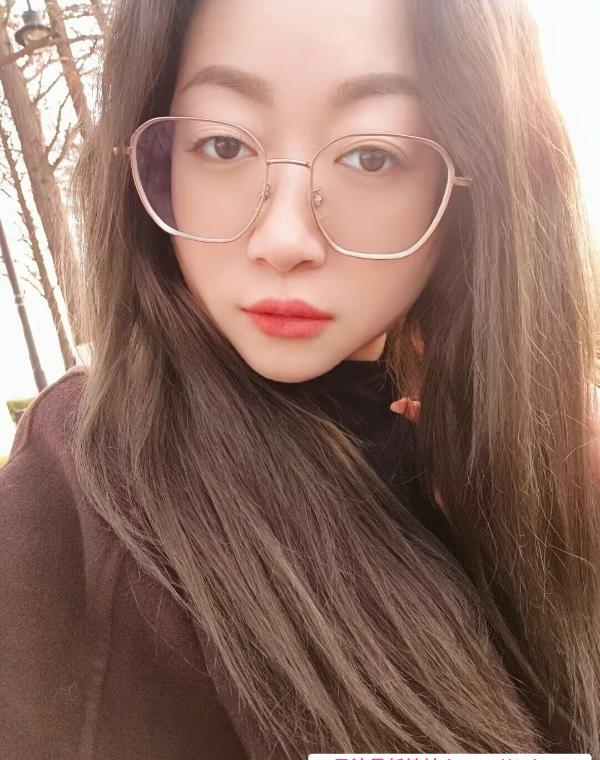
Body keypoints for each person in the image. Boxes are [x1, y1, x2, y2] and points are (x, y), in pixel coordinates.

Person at [1, 0, 599, 758]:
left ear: (476, 182)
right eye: (222, 143)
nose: (284, 239)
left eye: (371, 156)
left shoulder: (523, 460)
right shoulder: (92, 493)